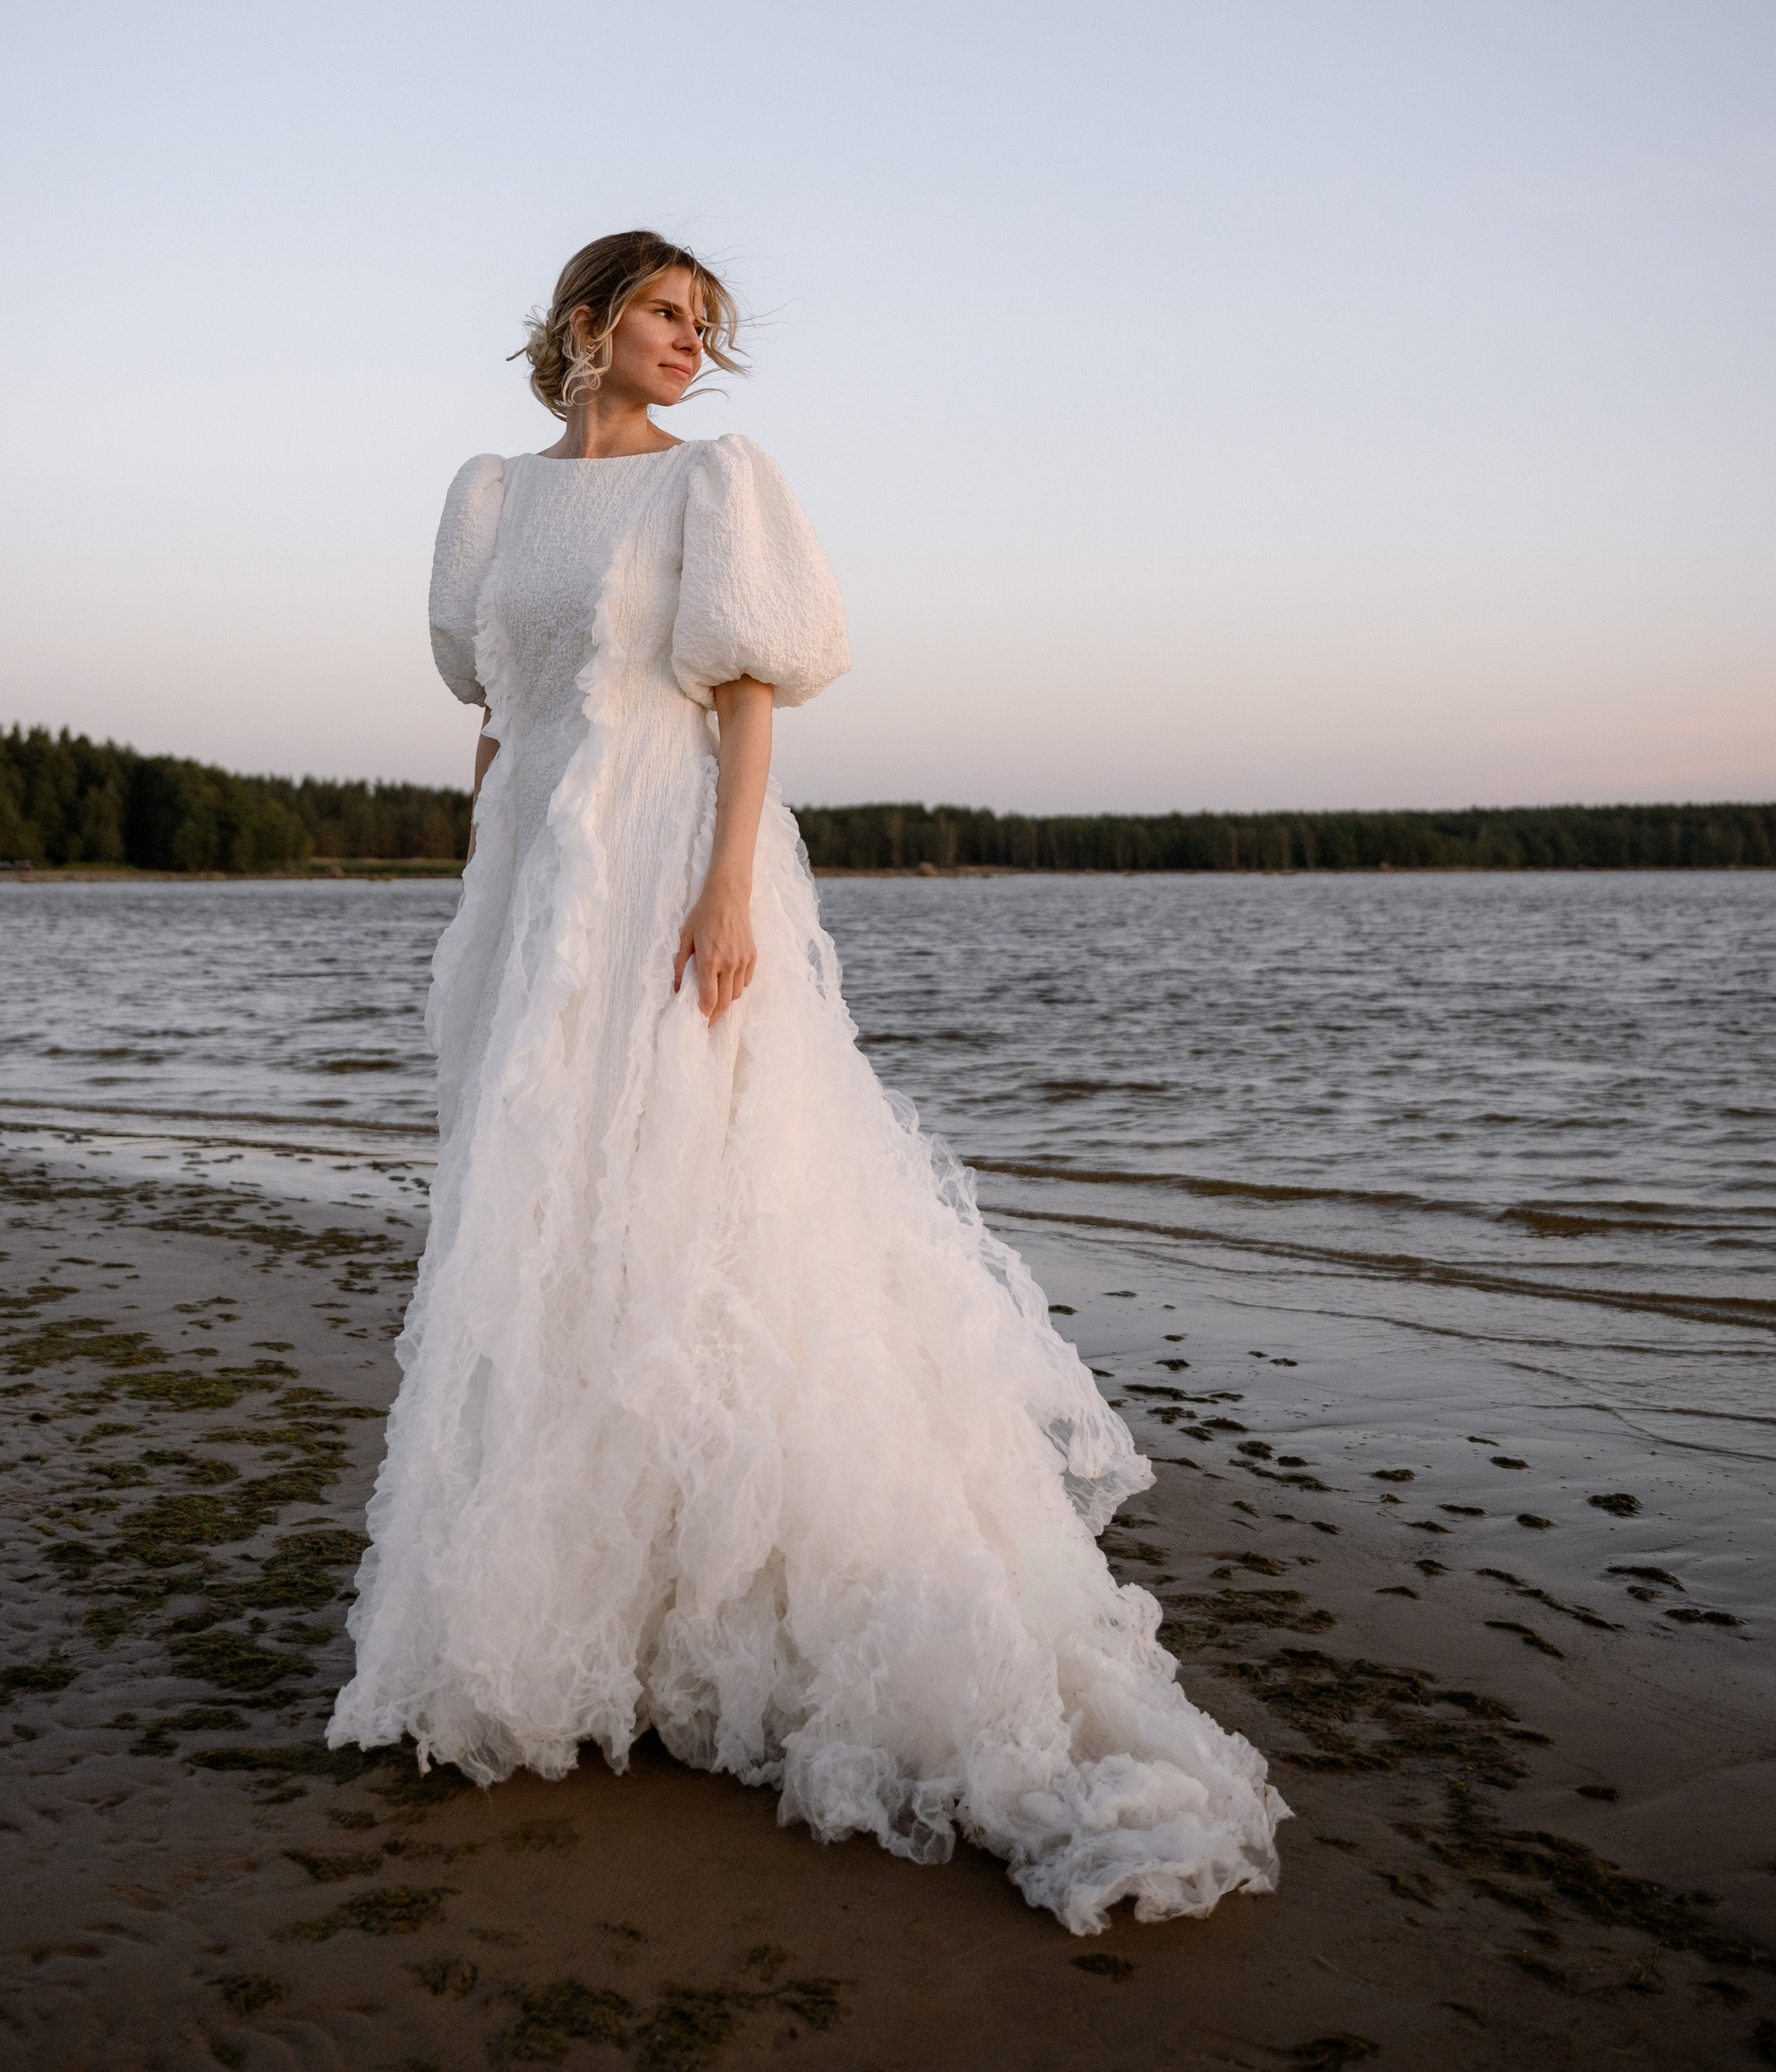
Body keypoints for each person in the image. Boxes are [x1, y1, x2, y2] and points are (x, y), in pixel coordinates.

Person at [329, 230, 1285, 1931]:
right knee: (542, 1224)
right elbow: (496, 711)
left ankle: (754, 1603)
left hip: (669, 862)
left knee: (695, 1208)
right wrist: (480, 890)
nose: (690, 342)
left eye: (706, 323)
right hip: (538, 881)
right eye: (663, 312)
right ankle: (579, 1620)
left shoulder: (717, 484)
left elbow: (751, 693)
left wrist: (719, 891)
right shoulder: (486, 497)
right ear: (584, 323)